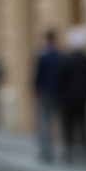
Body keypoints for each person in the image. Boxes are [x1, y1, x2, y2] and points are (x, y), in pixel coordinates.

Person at [58, 25, 86, 163]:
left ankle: (68, 149)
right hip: (83, 97)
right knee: (84, 123)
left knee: (69, 124)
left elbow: (61, 80)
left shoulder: (67, 60)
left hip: (68, 98)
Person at [31, 29, 64, 162]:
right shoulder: (60, 55)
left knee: (44, 122)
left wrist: (35, 90)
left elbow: (37, 76)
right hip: (58, 92)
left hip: (45, 92)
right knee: (58, 121)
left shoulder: (42, 56)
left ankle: (46, 151)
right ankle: (60, 148)